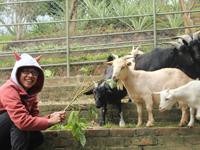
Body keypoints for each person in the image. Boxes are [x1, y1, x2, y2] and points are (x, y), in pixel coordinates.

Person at [0, 52, 65, 150]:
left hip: (8, 132)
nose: (30, 75)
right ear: (17, 73)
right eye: (25, 71)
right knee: (16, 119)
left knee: (37, 137)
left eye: (34, 73)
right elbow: (22, 121)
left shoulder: (30, 93)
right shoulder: (8, 89)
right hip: (5, 126)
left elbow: (34, 118)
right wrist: (49, 121)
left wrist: (50, 118)